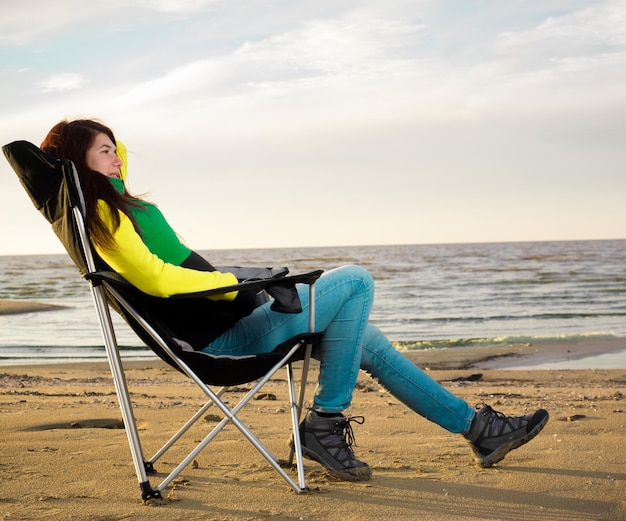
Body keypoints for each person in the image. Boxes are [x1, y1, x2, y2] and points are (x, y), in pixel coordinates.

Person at [40, 118, 549, 482]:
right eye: (103, 150)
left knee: (365, 340)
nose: (116, 154)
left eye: (113, 147)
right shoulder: (103, 216)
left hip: (234, 319)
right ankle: (325, 423)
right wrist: (234, 280)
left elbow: (120, 153)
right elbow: (157, 280)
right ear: (78, 163)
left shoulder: (120, 200)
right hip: (222, 340)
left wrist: (94, 147)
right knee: (354, 281)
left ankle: (478, 429)